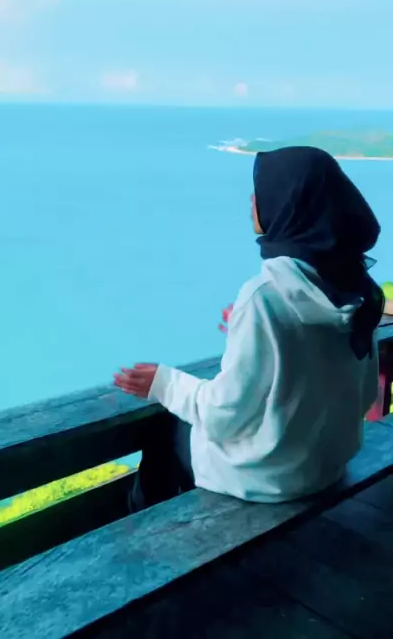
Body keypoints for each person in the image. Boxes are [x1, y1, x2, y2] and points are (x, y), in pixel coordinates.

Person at [114, 146, 384, 510]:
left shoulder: (263, 297)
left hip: (271, 480)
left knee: (165, 424)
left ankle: (152, 535)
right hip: (325, 468)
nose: (253, 200)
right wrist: (251, 327)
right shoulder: (359, 289)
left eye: (262, 191)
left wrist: (162, 382)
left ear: (288, 205)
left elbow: (225, 415)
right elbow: (362, 393)